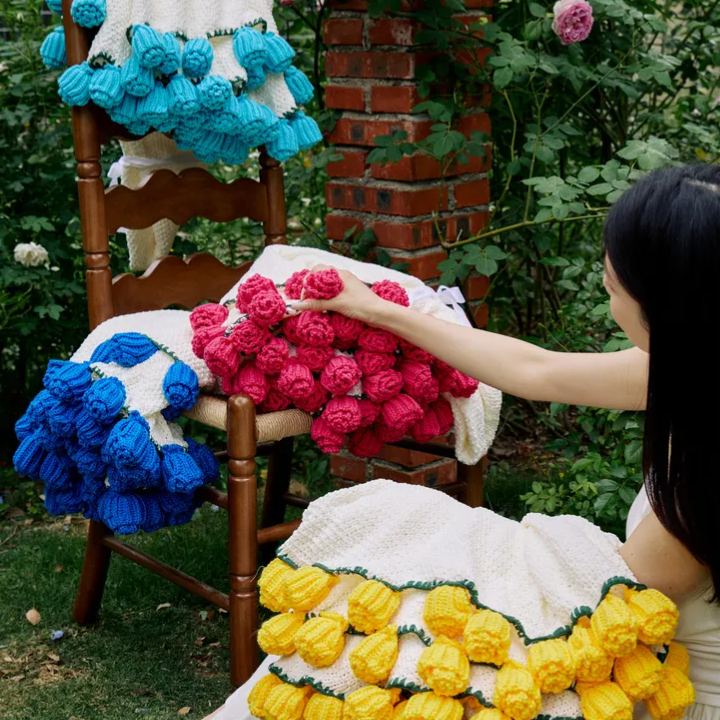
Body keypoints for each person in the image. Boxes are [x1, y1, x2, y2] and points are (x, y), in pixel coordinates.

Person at [209, 163, 720, 719]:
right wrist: (377, 309)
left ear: (669, 305)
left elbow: (610, 590)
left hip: (660, 692)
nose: (605, 289)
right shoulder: (691, 361)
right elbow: (537, 370)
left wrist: (434, 534)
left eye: (613, 285)